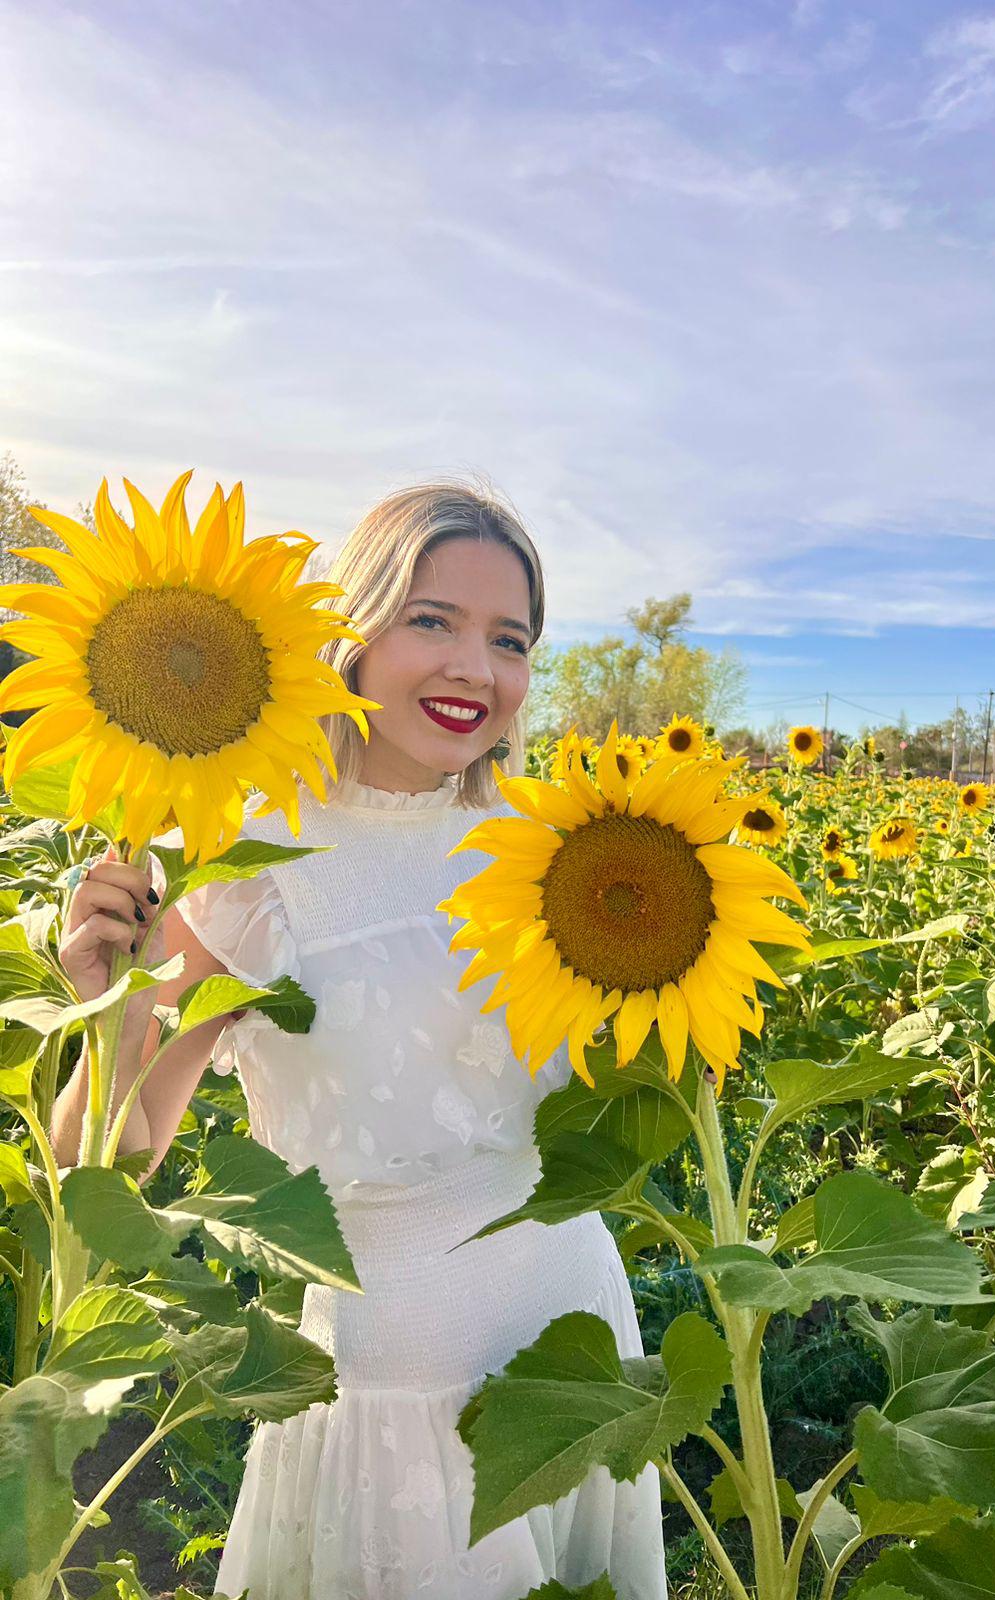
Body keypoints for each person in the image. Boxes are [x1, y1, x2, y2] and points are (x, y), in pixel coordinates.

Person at [50, 482, 669, 1600]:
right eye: (431, 620)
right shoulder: (251, 857)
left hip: (578, 1342)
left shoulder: (552, 845)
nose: (475, 669)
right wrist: (107, 1009)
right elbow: (111, 1164)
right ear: (353, 629)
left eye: (509, 639)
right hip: (398, 1391)